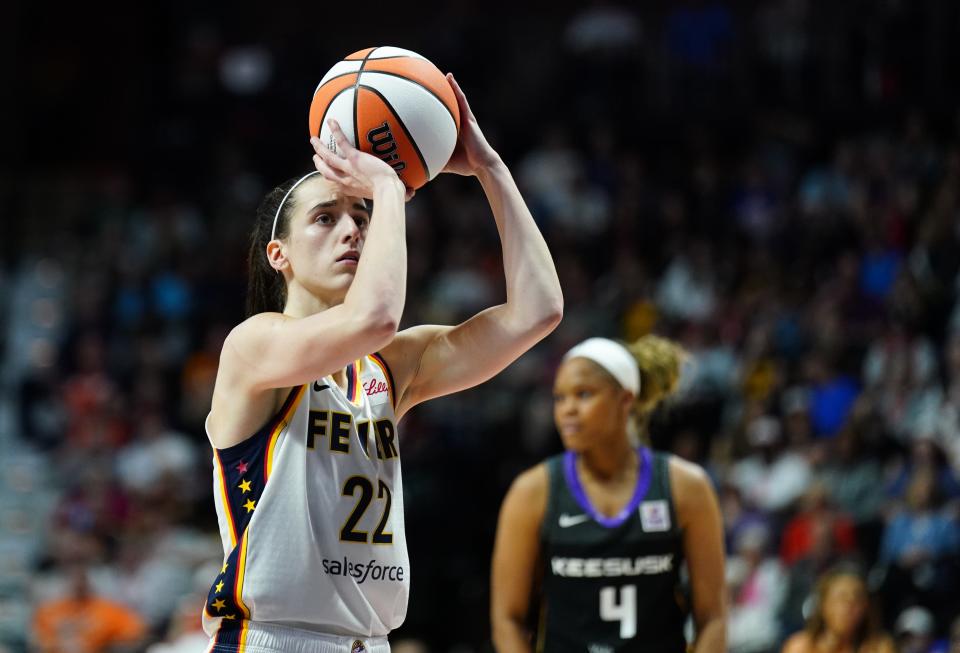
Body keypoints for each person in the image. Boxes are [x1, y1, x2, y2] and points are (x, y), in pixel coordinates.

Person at [203, 73, 563, 652]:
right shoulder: (254, 346)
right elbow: (374, 318)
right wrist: (388, 189)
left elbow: (538, 311)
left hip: (370, 641)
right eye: (326, 218)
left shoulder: (389, 368)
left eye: (360, 218)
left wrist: (492, 170)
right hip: (274, 639)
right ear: (280, 254)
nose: (351, 230)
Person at [491, 335, 726, 653]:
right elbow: (508, 619)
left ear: (625, 399)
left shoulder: (687, 488)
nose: (567, 410)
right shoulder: (532, 492)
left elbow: (713, 617)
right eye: (559, 398)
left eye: (583, 394)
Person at [781, 569, 895, 653]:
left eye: (858, 599)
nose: (849, 607)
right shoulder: (801, 647)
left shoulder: (879, 647)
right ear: (823, 605)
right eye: (841, 598)